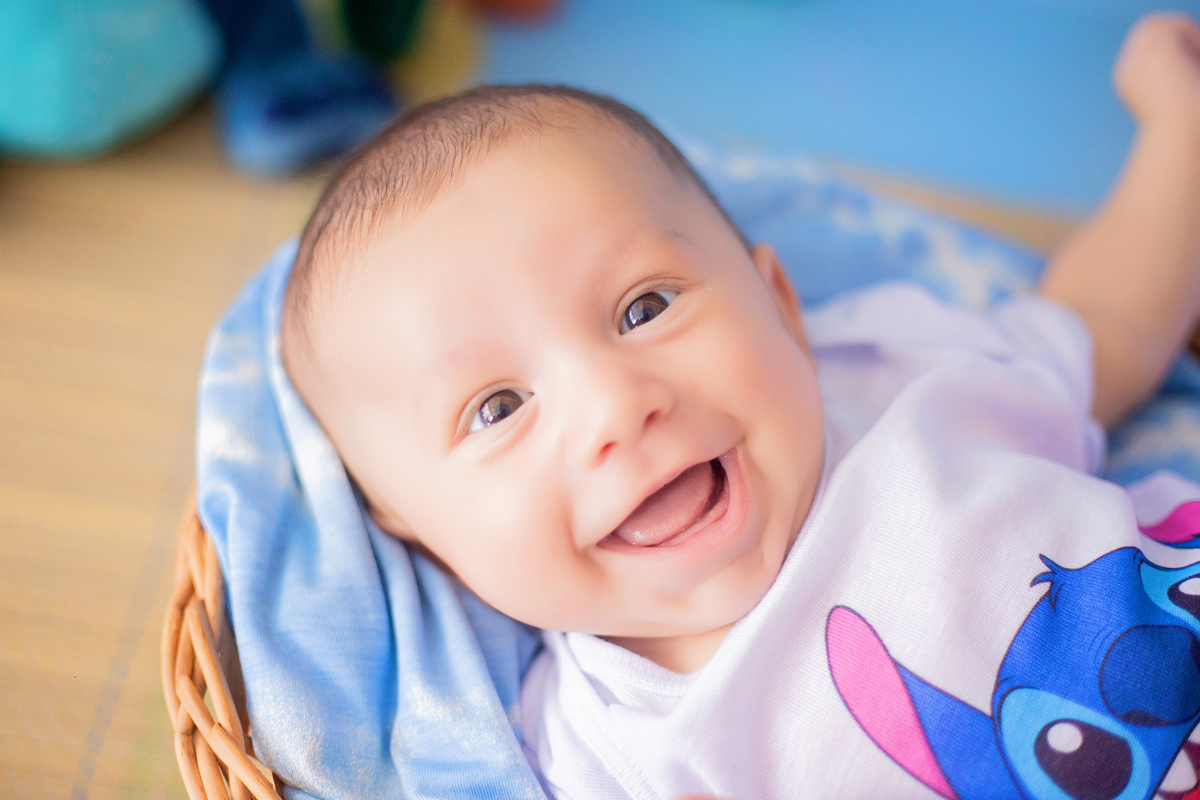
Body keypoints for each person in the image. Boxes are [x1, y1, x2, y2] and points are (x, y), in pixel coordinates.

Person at [280, 13, 1200, 799]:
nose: (613, 406)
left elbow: (1107, 319)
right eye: (496, 408)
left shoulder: (899, 377)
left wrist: (1179, 128)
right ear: (408, 526)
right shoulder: (603, 752)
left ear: (781, 307)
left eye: (646, 307)